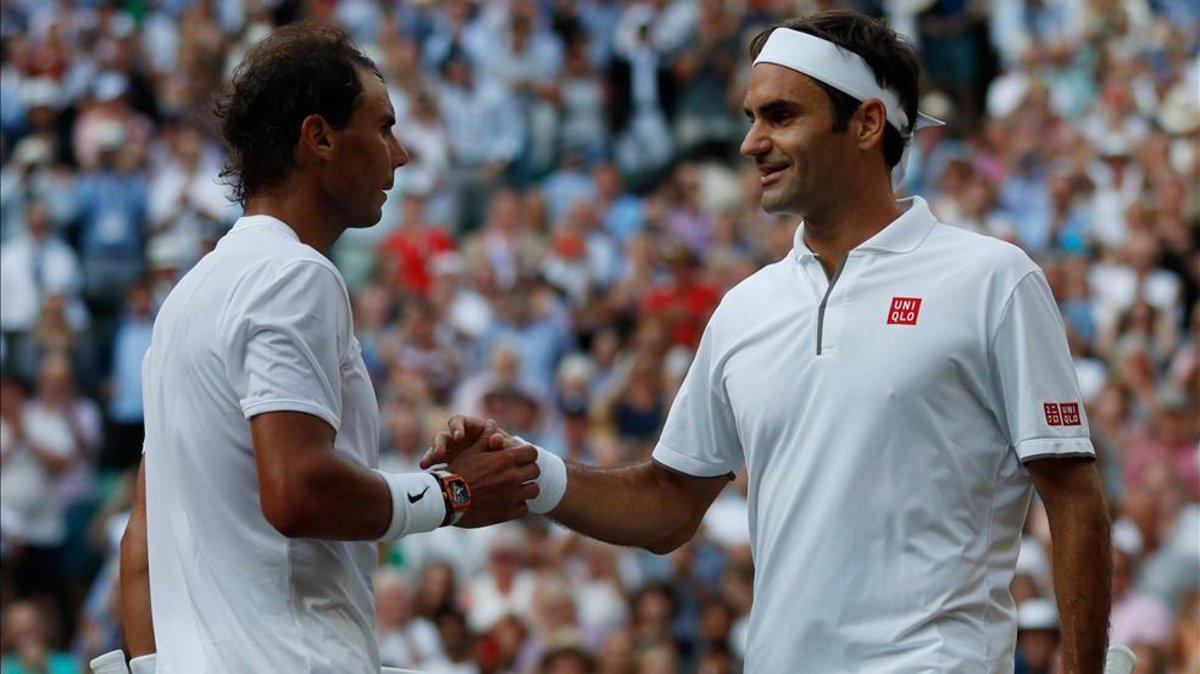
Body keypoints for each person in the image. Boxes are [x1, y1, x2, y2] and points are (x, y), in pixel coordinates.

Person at [426, 10, 1112, 673]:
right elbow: (668, 506)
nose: (751, 142)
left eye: (781, 116)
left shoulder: (993, 279)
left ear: (867, 123)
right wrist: (529, 472)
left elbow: (1074, 498)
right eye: (751, 117)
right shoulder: (745, 309)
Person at [118, 22, 539, 674]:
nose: (401, 154)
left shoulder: (185, 301)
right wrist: (453, 494)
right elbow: (297, 491)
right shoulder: (294, 275)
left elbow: (140, 546)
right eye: (383, 128)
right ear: (318, 137)